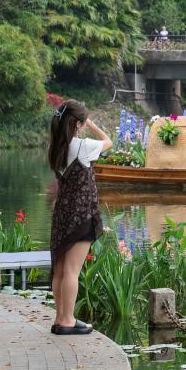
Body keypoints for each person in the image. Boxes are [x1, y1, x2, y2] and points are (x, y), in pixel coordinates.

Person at [47, 99, 112, 335]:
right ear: (78, 123)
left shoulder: (55, 147)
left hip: (62, 216)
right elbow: (109, 141)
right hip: (81, 215)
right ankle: (68, 321)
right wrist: (91, 124)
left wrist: (81, 121)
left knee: (60, 270)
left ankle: (60, 318)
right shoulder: (82, 147)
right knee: (72, 271)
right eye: (82, 121)